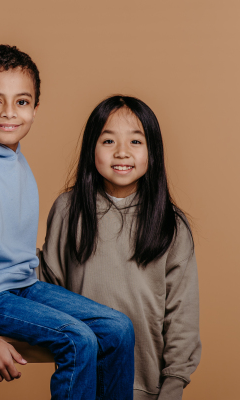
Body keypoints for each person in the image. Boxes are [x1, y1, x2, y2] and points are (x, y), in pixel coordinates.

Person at [0, 44, 135, 400]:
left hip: (21, 284)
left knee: (119, 328)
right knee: (78, 340)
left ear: (35, 108)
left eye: (21, 102)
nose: (9, 113)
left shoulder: (11, 155)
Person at [37, 96, 201, 400]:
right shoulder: (68, 209)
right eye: (108, 140)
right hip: (80, 381)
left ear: (153, 151)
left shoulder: (171, 224)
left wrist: (174, 384)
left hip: (145, 387)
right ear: (91, 149)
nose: (122, 152)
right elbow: (47, 287)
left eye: (136, 141)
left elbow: (182, 316)